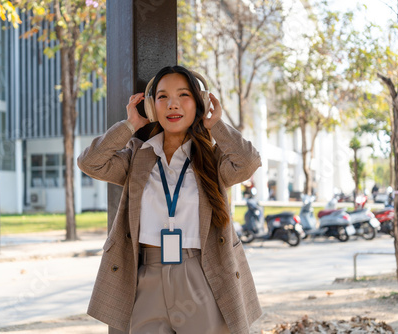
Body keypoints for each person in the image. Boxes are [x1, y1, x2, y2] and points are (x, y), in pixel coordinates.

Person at [78, 66, 262, 333]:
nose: (172, 104)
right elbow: (90, 162)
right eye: (162, 97)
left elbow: (249, 162)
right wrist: (130, 125)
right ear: (152, 107)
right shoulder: (137, 157)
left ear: (199, 103)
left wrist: (216, 125)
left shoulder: (213, 159)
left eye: (183, 95)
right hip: (145, 276)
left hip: (201, 275)